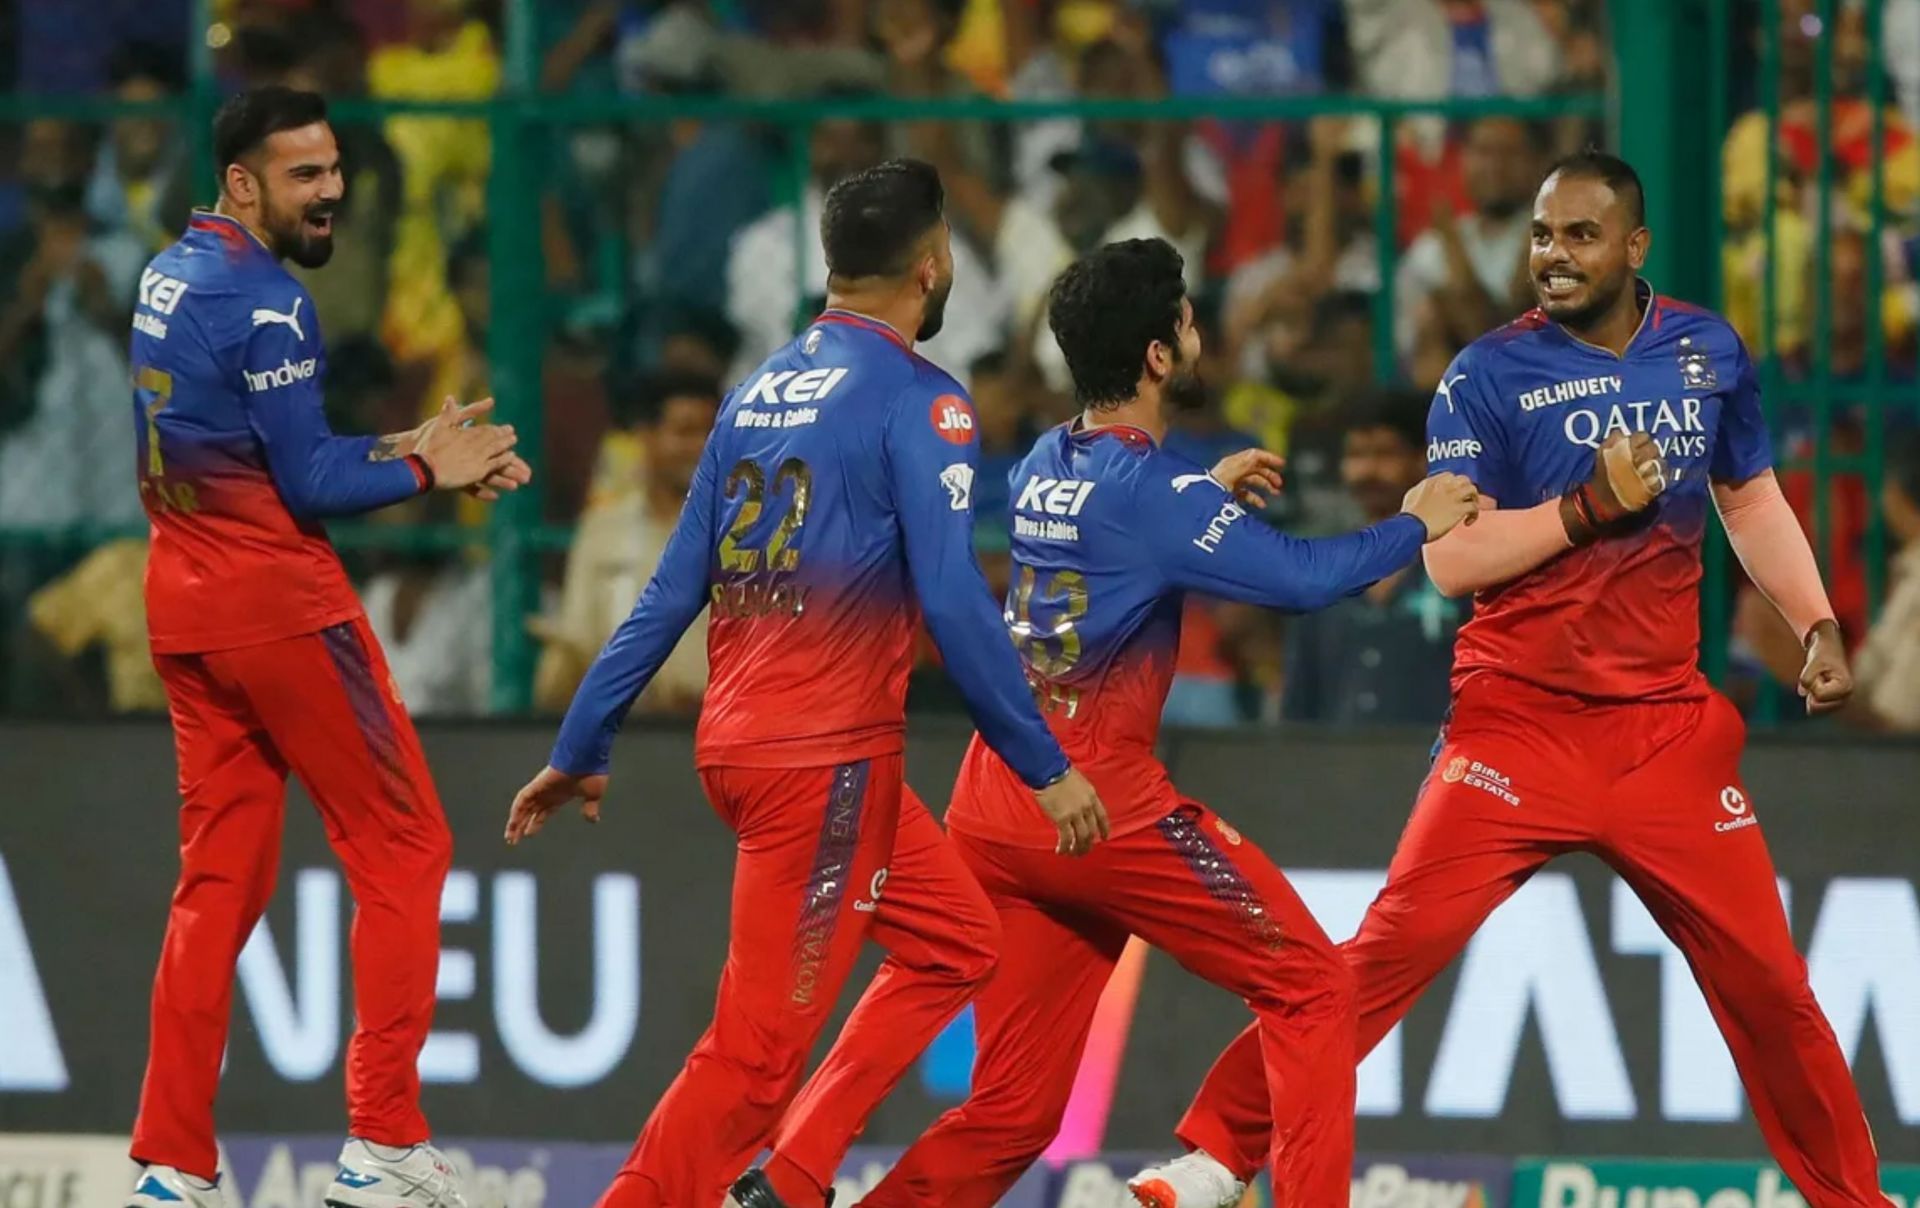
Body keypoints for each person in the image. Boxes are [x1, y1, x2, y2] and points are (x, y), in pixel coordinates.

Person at [1126, 151, 1889, 1208]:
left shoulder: (1709, 351)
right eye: (1541, 235)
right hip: (1515, 727)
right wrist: (1590, 504)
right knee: (1385, 950)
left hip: (1663, 731)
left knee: (1770, 986)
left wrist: (1815, 622)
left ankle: (1854, 1199)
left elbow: (1748, 493)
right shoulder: (1484, 375)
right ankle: (1216, 1153)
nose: (1554, 255)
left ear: (1635, 246)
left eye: (1580, 235)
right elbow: (1449, 556)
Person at [772, 237, 1479, 1208]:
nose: (1198, 330)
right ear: (1156, 355)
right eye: (1185, 318)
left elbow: (1123, 537)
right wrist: (1416, 519)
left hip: (999, 793)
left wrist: (1204, 498)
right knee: (1313, 986)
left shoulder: (1041, 465)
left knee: (1017, 1106)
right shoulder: (1159, 495)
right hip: (1099, 805)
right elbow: (1306, 581)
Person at [501, 159, 1106, 1208]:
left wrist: (582, 740)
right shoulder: (925, 402)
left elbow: (668, 589)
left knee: (957, 936)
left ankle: (791, 1174)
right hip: (822, 761)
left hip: (750, 747)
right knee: (754, 1058)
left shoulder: (756, 394)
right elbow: (956, 602)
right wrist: (1043, 763)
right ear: (931, 266)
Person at [124, 86, 529, 1208]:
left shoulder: (169, 274)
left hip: (186, 607)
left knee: (217, 884)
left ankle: (171, 1163)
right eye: (305, 175)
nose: (333, 190)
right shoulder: (270, 302)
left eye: (336, 167)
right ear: (242, 182)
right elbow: (304, 482)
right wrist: (418, 471)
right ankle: (383, 1142)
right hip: (282, 609)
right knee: (405, 846)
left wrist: (406, 440)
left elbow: (258, 444)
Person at [1282, 388, 1464, 725]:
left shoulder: (1460, 567)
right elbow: (1299, 700)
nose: (1368, 470)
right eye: (1356, 455)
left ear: (1422, 459)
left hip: (1436, 768)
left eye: (1384, 454)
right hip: (1338, 769)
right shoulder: (1323, 570)